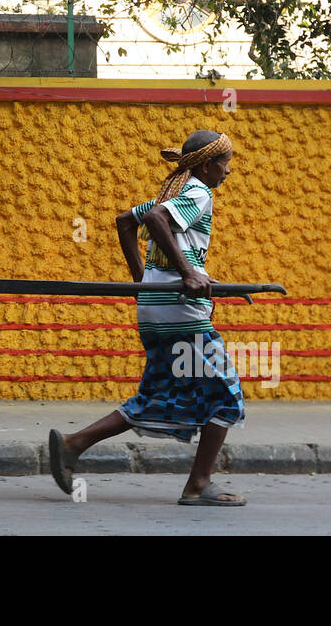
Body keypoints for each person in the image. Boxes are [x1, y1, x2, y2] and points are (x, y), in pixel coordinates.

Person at [48, 130, 247, 506]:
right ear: (207, 165)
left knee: (160, 394)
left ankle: (74, 444)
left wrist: (145, 279)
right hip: (180, 312)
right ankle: (199, 485)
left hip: (153, 307)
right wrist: (188, 272)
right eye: (225, 163)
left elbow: (126, 221)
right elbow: (154, 218)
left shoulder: (173, 193)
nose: (228, 171)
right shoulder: (199, 194)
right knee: (227, 397)